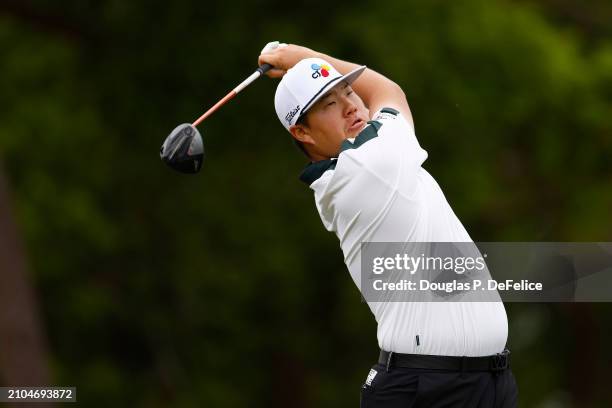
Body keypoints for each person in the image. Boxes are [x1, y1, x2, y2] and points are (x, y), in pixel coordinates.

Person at [258, 43, 518, 408]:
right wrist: (300, 56)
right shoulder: (366, 167)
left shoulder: (374, 157)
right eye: (329, 104)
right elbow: (387, 91)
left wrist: (307, 64)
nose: (350, 106)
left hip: (486, 383)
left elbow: (380, 95)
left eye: (347, 91)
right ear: (303, 133)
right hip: (426, 390)